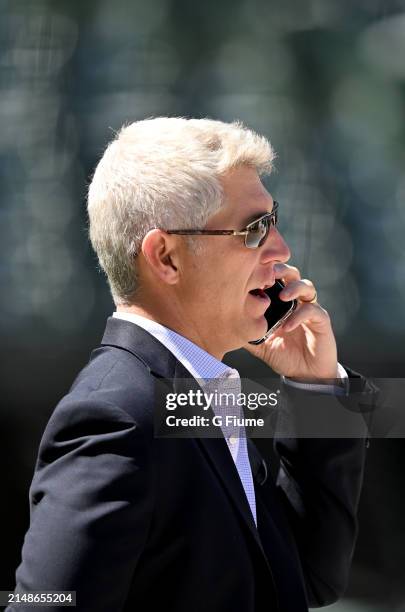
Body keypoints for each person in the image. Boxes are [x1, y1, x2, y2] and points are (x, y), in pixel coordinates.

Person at [9, 118, 375, 612]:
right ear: (166, 257)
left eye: (274, 220)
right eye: (253, 230)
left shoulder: (195, 389)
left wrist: (313, 390)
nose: (282, 250)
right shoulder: (116, 413)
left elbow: (307, 577)